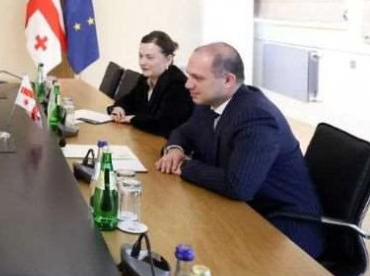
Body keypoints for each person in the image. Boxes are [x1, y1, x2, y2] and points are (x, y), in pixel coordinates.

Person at [155, 43, 324, 257]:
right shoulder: (210, 101)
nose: (187, 84)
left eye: (197, 78)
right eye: (189, 75)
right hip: (242, 210)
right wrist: (175, 150)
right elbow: (184, 132)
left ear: (228, 80)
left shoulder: (257, 116)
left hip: (284, 229)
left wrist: (185, 165)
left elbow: (237, 185)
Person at [108, 31, 194, 137]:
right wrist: (120, 108)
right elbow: (129, 100)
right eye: (140, 56)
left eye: (149, 57)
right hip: (144, 138)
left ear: (168, 59)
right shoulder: (145, 78)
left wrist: (132, 119)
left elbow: (163, 124)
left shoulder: (178, 84)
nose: (142, 62)